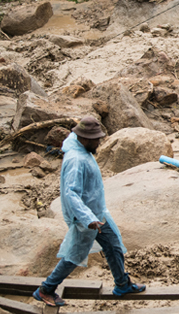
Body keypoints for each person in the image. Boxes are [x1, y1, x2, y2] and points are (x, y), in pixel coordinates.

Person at [33, 117, 146, 307]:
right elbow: (71, 193)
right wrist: (87, 218)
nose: (99, 143)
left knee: (113, 245)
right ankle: (46, 289)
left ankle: (122, 284)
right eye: (96, 140)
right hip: (85, 217)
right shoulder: (76, 160)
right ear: (85, 139)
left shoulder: (80, 149)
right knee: (74, 255)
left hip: (97, 213)